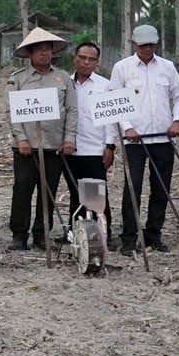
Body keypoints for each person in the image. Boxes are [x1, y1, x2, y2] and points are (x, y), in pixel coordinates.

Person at [108, 25, 179, 254]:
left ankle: (154, 235)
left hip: (163, 138)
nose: (147, 49)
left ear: (156, 44)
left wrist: (178, 120)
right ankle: (129, 238)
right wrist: (127, 127)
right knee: (132, 188)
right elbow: (115, 102)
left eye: (151, 45)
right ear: (134, 44)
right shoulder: (122, 68)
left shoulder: (167, 67)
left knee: (161, 189)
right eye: (142, 45)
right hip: (134, 141)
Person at [6, 27, 77, 251]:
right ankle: (19, 234)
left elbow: (72, 110)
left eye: (48, 50)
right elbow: (12, 112)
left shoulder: (63, 78)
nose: (44, 54)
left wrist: (68, 139)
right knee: (23, 190)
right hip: (26, 147)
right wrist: (22, 139)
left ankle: (41, 233)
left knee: (48, 191)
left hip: (54, 146)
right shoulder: (18, 79)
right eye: (39, 50)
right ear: (30, 54)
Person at [67, 41, 117, 229]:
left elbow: (111, 120)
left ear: (97, 62)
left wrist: (110, 146)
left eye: (91, 59)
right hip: (70, 148)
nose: (86, 62)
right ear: (75, 59)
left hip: (95, 149)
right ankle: (77, 231)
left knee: (96, 193)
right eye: (82, 58)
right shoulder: (65, 84)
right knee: (75, 192)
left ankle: (103, 232)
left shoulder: (105, 86)